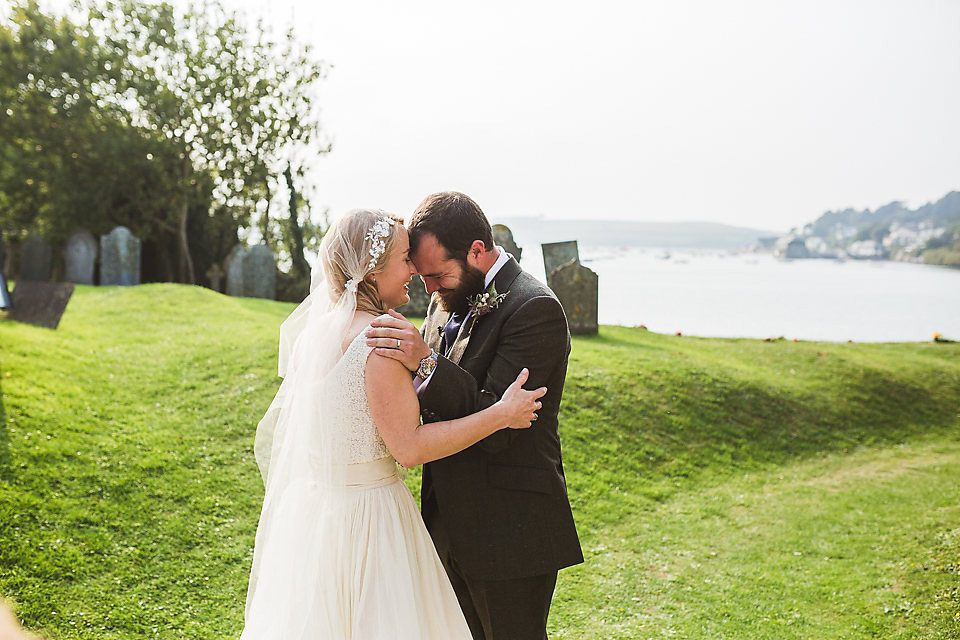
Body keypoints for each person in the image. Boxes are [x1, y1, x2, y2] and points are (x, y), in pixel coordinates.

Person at [239, 209, 547, 639]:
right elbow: (410, 448)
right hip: (371, 521)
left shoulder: (316, 334)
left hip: (320, 517)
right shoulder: (381, 341)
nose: (415, 271)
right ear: (373, 269)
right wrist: (499, 414)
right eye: (406, 259)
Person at [366, 192, 583, 640]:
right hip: (445, 524)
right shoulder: (443, 298)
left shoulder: (535, 309)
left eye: (437, 275)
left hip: (510, 530)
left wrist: (426, 361)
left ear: (477, 252)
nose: (428, 288)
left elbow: (497, 425)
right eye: (422, 275)